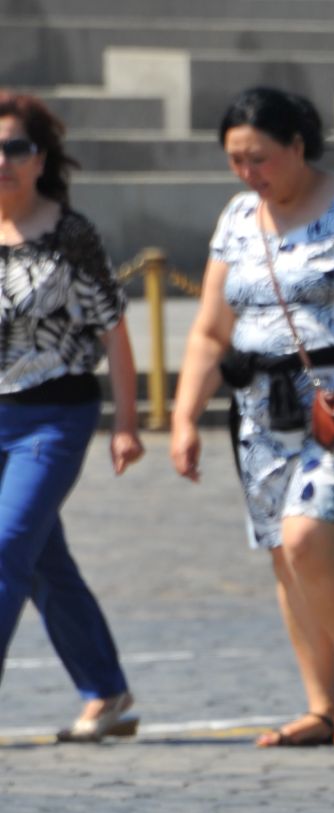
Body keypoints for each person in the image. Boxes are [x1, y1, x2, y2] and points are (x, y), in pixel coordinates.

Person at [168, 87, 334, 747]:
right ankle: (317, 702)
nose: (249, 174)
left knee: (308, 537)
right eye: (235, 160)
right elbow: (208, 329)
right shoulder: (236, 218)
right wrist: (183, 415)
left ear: (298, 146)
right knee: (283, 553)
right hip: (259, 409)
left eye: (260, 158)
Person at [0, 92, 143, 743]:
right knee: (40, 558)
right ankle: (107, 691)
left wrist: (127, 422)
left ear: (41, 157)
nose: (2, 161)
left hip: (54, 414)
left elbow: (114, 330)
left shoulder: (71, 233)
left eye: (15, 148)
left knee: (6, 545)